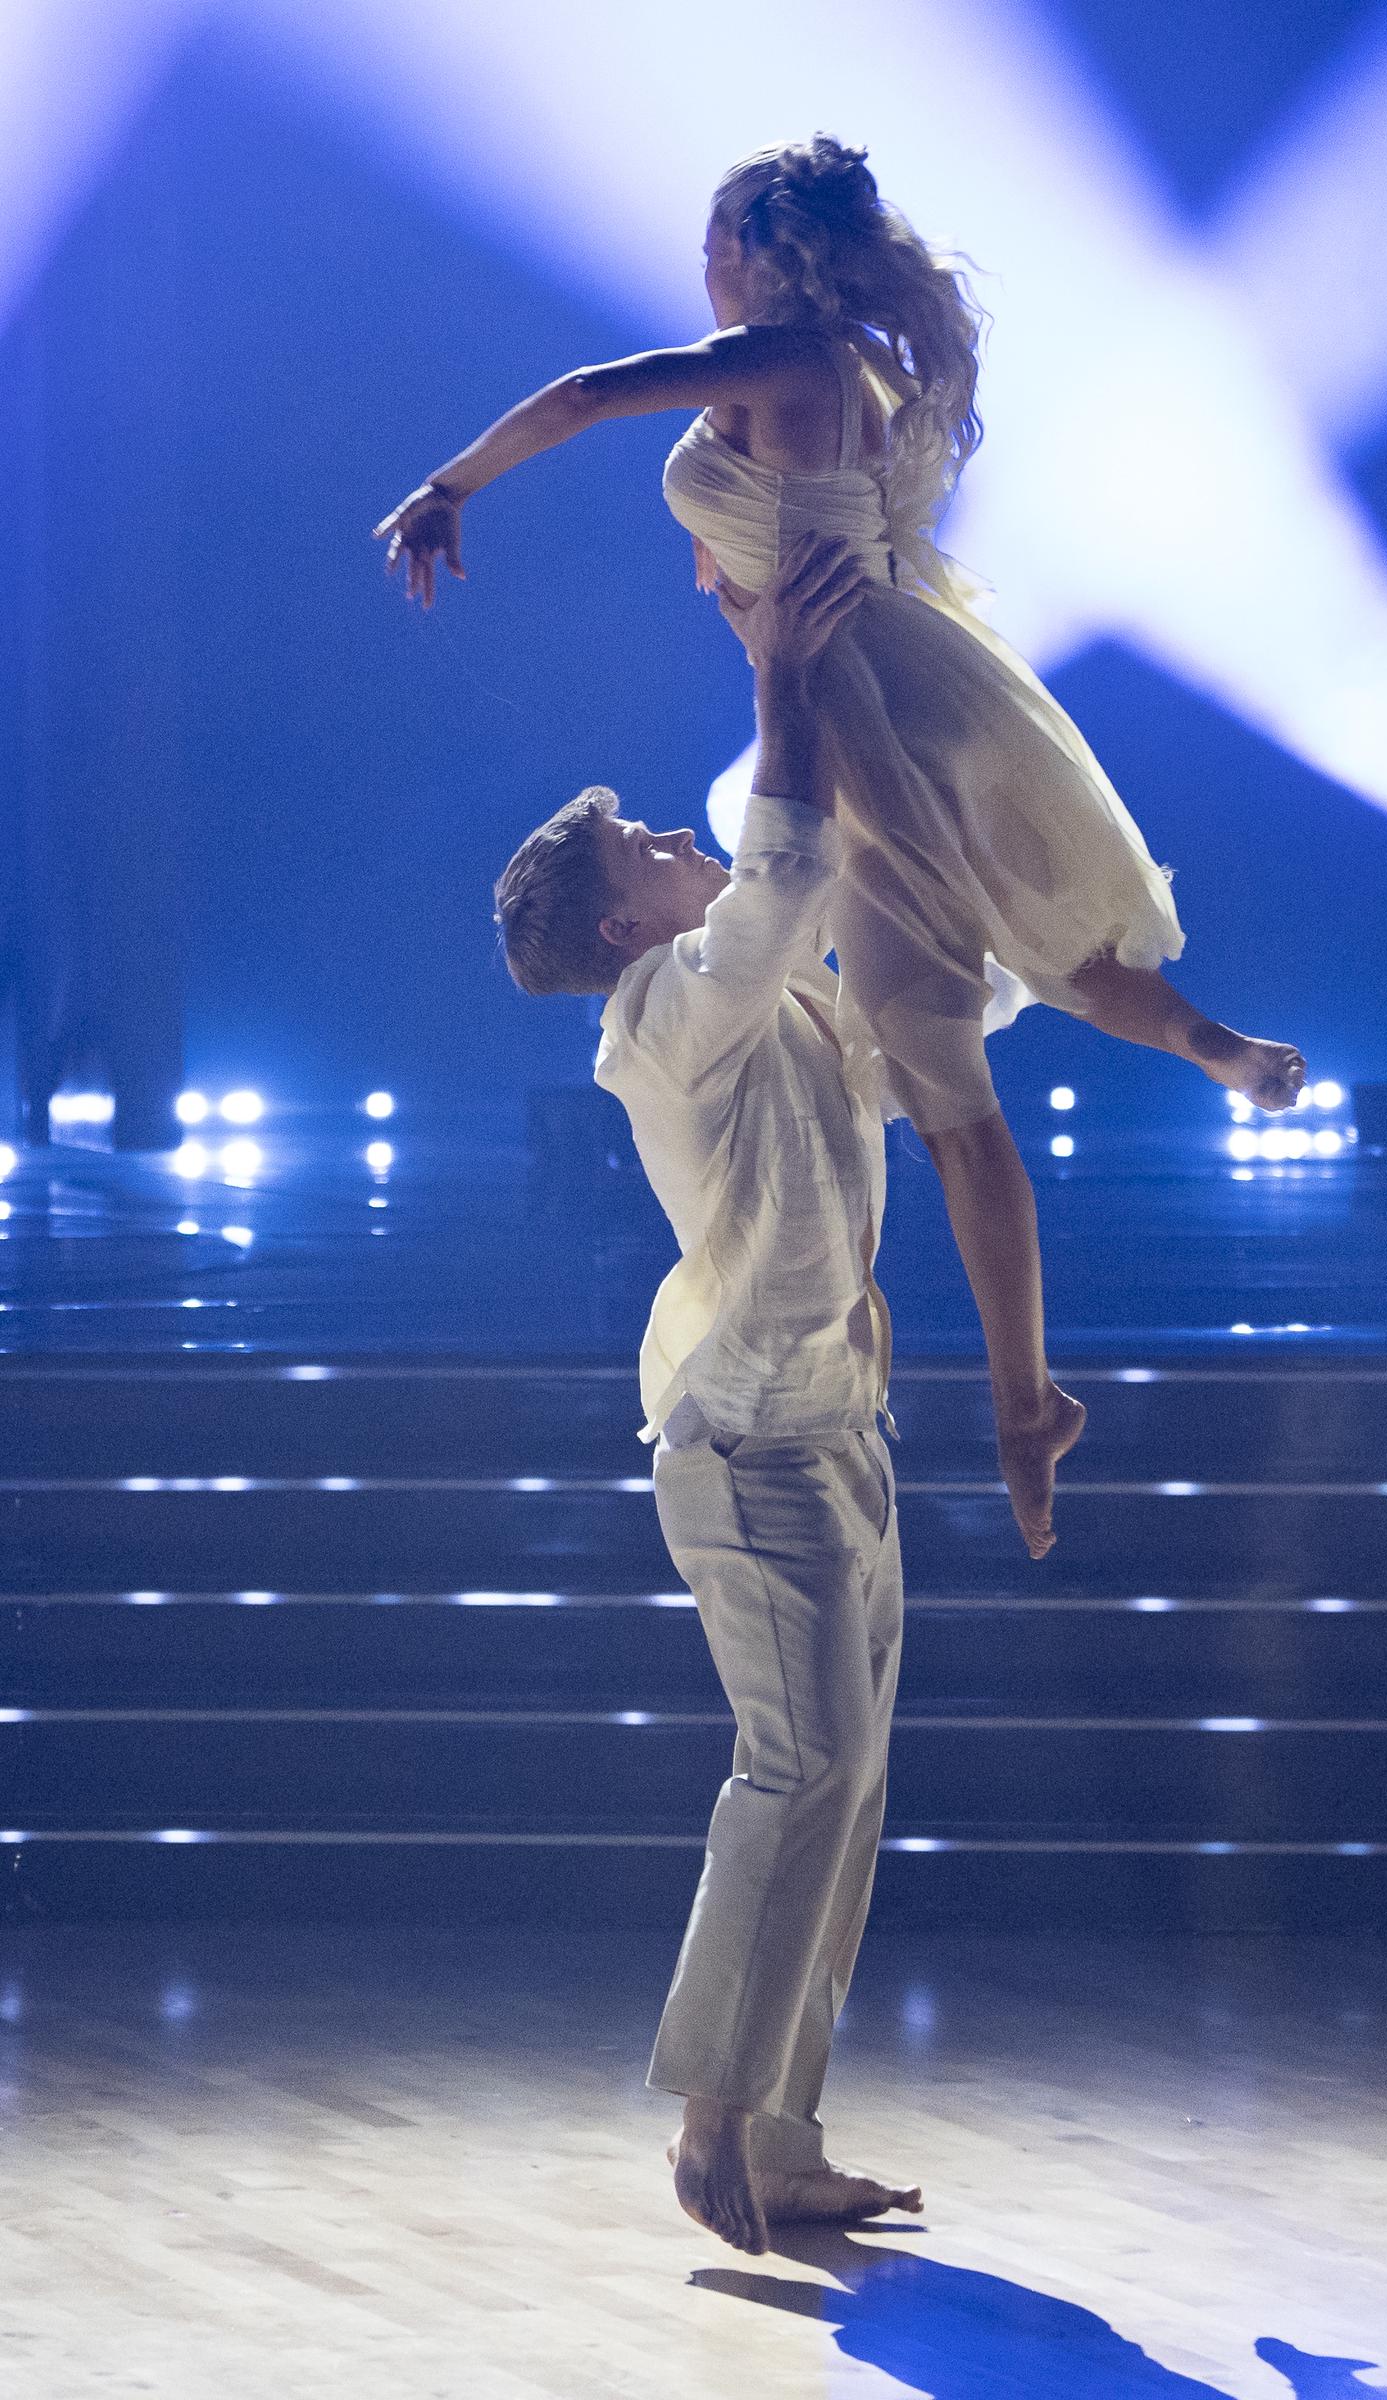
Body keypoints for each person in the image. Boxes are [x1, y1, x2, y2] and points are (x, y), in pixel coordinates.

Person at [376, 133, 1308, 1557]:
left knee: (950, 1048)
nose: (701, 266)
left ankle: (1029, 1397)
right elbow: (777, 512)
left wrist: (451, 483)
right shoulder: (839, 368)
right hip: (896, 684)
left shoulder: (783, 359)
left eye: (715, 242)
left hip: (856, 703)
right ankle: (1195, 1082)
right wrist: (731, 551)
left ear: (762, 252)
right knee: (1003, 949)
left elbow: (586, 396)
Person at [491, 534, 922, 2257]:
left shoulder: (768, 1006)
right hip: (748, 1452)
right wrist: (779, 671)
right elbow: (790, 853)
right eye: (652, 852)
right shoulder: (662, 1015)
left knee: (848, 1789)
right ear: (625, 924)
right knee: (801, 1770)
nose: (685, 842)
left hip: (841, 1428)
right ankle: (709, 2118)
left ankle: (784, 2132)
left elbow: (904, 1015)